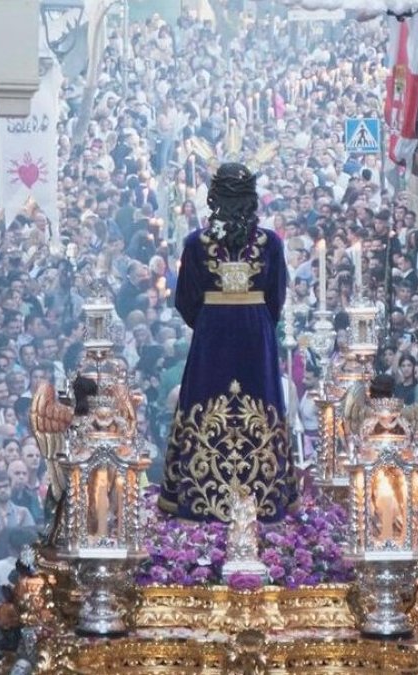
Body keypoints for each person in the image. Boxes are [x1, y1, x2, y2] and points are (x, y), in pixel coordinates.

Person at [158, 162, 298, 523]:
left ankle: (199, 496)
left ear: (213, 198)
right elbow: (276, 298)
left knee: (206, 401)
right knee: (258, 404)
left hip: (212, 336)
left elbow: (185, 300)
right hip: (256, 337)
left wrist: (211, 320)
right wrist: (254, 321)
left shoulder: (195, 244)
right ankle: (263, 494)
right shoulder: (270, 243)